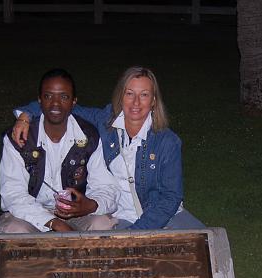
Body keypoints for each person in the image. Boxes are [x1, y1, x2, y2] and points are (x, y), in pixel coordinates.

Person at [12, 66, 204, 230]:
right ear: (121, 97)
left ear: (153, 100)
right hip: (119, 217)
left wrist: (138, 231)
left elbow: (170, 197)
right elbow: (61, 105)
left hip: (161, 216)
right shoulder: (105, 122)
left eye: (144, 95)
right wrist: (25, 116)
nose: (136, 102)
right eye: (130, 93)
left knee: (205, 244)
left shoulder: (167, 141)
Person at [0, 69, 120, 233]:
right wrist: (54, 223)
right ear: (39, 100)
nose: (55, 104)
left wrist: (90, 205)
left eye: (64, 97)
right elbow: (13, 194)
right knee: (15, 230)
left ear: (73, 102)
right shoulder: (20, 138)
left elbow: (105, 186)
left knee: (102, 224)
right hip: (30, 211)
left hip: (74, 213)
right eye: (48, 96)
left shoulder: (89, 136)